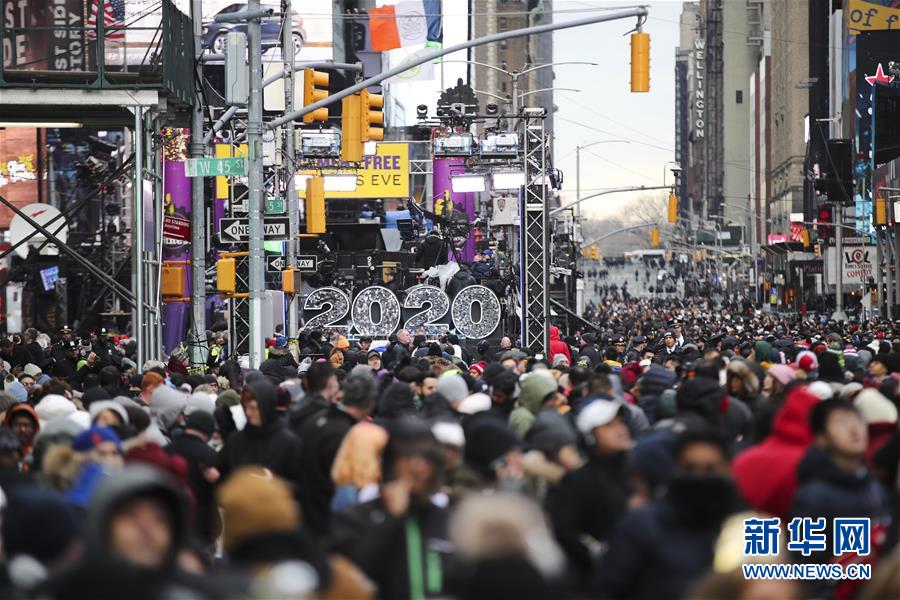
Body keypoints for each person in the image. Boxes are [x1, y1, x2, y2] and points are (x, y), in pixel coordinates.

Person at [40, 465, 219, 599]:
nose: (147, 529)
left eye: (161, 519)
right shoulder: (60, 590)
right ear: (102, 522)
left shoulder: (194, 594)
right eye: (130, 515)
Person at [331, 418, 451, 600]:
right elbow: (351, 574)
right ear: (390, 462)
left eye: (426, 458)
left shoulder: (447, 518)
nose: (417, 466)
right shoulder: (357, 517)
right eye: (407, 456)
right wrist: (390, 520)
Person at [545, 399, 633, 578]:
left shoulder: (637, 472)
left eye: (620, 422)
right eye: (609, 425)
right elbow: (563, 531)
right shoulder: (577, 482)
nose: (620, 429)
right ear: (590, 436)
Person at [297, 373, 376, 536]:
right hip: (330, 518)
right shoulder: (352, 434)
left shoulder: (315, 420)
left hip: (305, 511)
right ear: (368, 405)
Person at [219, 379, 303, 490]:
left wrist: (275, 483)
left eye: (253, 408)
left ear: (266, 407)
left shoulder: (289, 442)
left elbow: (302, 486)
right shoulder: (236, 440)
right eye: (246, 407)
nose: (248, 413)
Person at [166, 411, 220, 546]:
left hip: (169, 520)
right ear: (208, 430)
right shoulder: (211, 456)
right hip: (200, 524)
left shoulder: (166, 450)